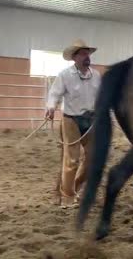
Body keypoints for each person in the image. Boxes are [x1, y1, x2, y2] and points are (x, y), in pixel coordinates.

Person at [45, 39, 101, 209]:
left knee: (93, 159)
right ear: (74, 57)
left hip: (91, 121)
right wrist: (51, 107)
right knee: (72, 160)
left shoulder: (96, 75)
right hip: (71, 120)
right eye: (83, 54)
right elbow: (54, 94)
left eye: (88, 53)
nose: (87, 57)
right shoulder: (65, 75)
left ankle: (72, 188)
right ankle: (67, 197)